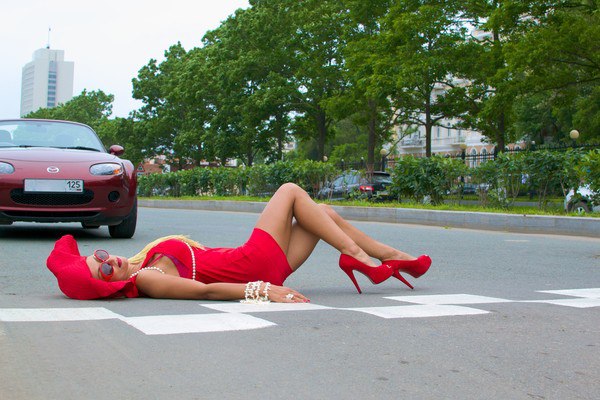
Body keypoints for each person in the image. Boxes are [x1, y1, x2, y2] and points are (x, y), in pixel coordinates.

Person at [47, 183, 431, 302]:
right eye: (104, 270)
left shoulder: (142, 262)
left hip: (262, 265)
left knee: (322, 212)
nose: (110, 261)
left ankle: (395, 259)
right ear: (109, 286)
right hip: (251, 265)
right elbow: (205, 291)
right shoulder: (146, 278)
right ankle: (360, 258)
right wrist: (263, 291)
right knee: (290, 191)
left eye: (100, 256)